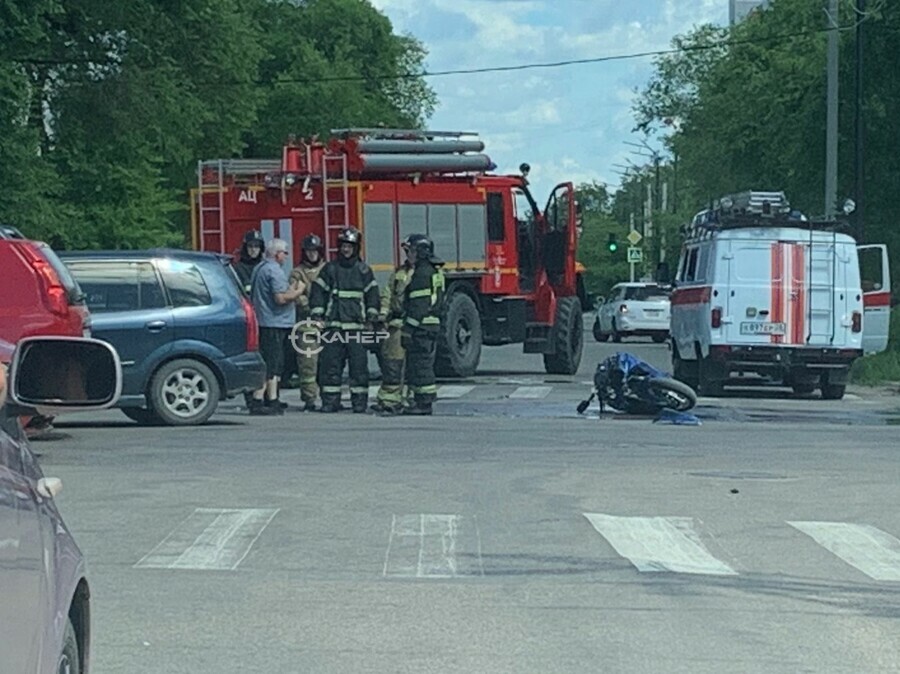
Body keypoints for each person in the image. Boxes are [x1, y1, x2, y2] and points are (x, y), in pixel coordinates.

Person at [309, 227, 380, 413]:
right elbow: (317, 292)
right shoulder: (330, 269)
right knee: (330, 367)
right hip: (333, 327)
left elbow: (373, 296)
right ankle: (330, 402)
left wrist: (372, 317)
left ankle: (359, 403)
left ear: (356, 248)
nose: (345, 249)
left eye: (349, 246)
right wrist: (317, 315)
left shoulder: (364, 270)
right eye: (343, 246)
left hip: (356, 328)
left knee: (358, 369)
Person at [249, 239, 304, 415]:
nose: (286, 256)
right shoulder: (274, 270)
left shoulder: (259, 268)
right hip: (274, 322)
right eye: (285, 252)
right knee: (272, 363)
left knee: (272, 362)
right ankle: (260, 399)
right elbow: (280, 298)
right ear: (277, 253)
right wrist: (298, 291)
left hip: (263, 321)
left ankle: (272, 398)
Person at [371, 234, 424, 413]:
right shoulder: (399, 272)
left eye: (411, 251)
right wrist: (383, 315)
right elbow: (388, 294)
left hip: (417, 326)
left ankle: (413, 400)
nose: (408, 255)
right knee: (392, 364)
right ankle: (389, 400)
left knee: (416, 366)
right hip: (397, 324)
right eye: (407, 251)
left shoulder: (426, 273)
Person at [400, 236, 445, 416]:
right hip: (431, 325)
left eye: (411, 251)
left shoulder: (421, 273)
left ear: (421, 253)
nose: (408, 255)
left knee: (421, 365)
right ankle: (421, 401)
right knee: (423, 363)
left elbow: (418, 306)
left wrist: (408, 329)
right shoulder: (434, 271)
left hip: (421, 327)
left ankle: (423, 403)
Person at [289, 234, 327, 411]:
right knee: (308, 363)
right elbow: (296, 296)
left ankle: (329, 397)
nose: (312, 255)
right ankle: (309, 398)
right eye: (309, 251)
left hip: (328, 323)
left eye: (315, 251)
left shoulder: (328, 269)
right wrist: (311, 307)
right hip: (306, 324)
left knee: (329, 364)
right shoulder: (298, 273)